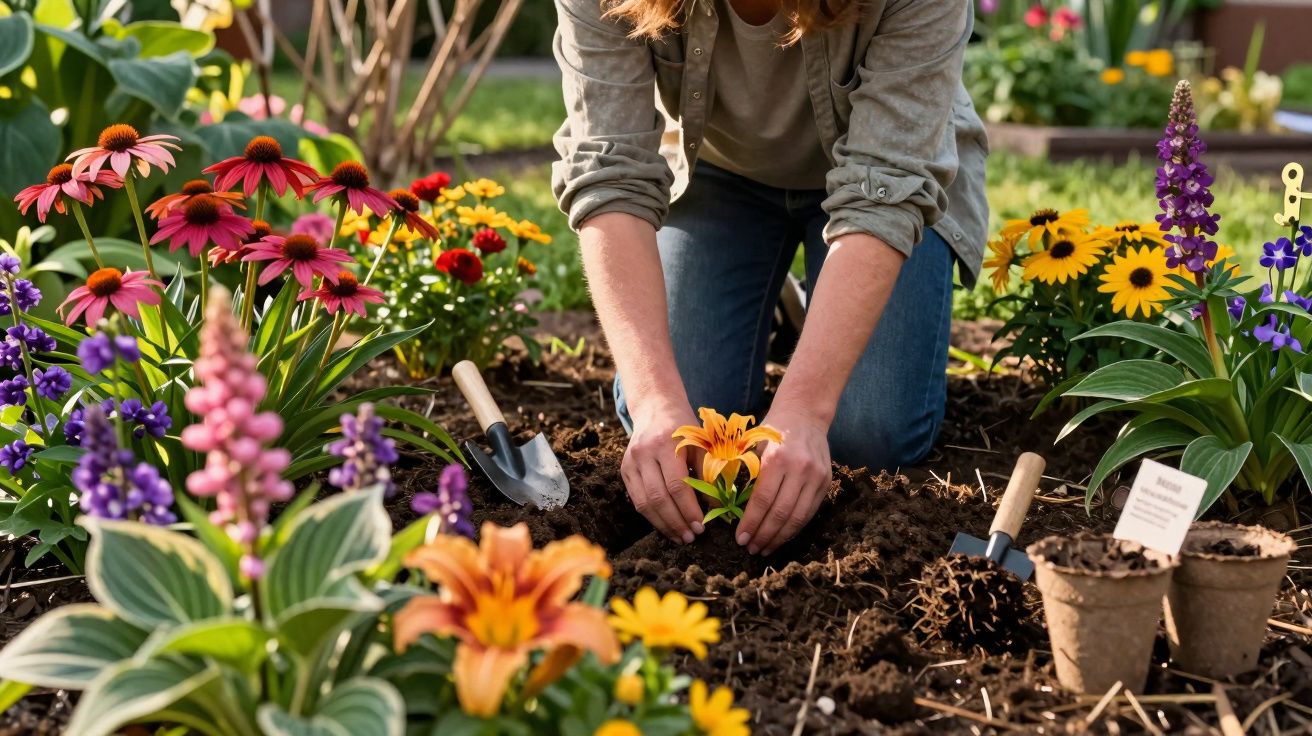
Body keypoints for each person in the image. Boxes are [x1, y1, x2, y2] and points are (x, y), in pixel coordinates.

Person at [551, 0, 988, 555]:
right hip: (721, 171)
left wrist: (805, 411)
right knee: (683, 425)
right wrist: (654, 399)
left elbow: (889, 186)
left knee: (864, 436)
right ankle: (788, 302)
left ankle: (818, 311)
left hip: (887, 180)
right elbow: (609, 173)